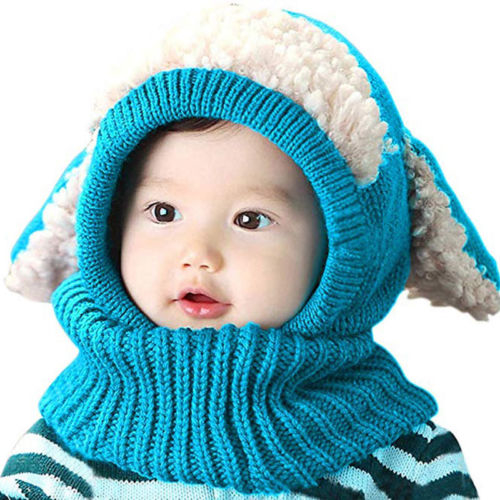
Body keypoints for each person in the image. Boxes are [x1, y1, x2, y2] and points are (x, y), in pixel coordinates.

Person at [1, 3, 498, 499]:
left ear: (346, 252)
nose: (198, 253)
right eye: (163, 212)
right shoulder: (64, 453)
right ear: (107, 225)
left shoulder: (406, 457)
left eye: (250, 220)